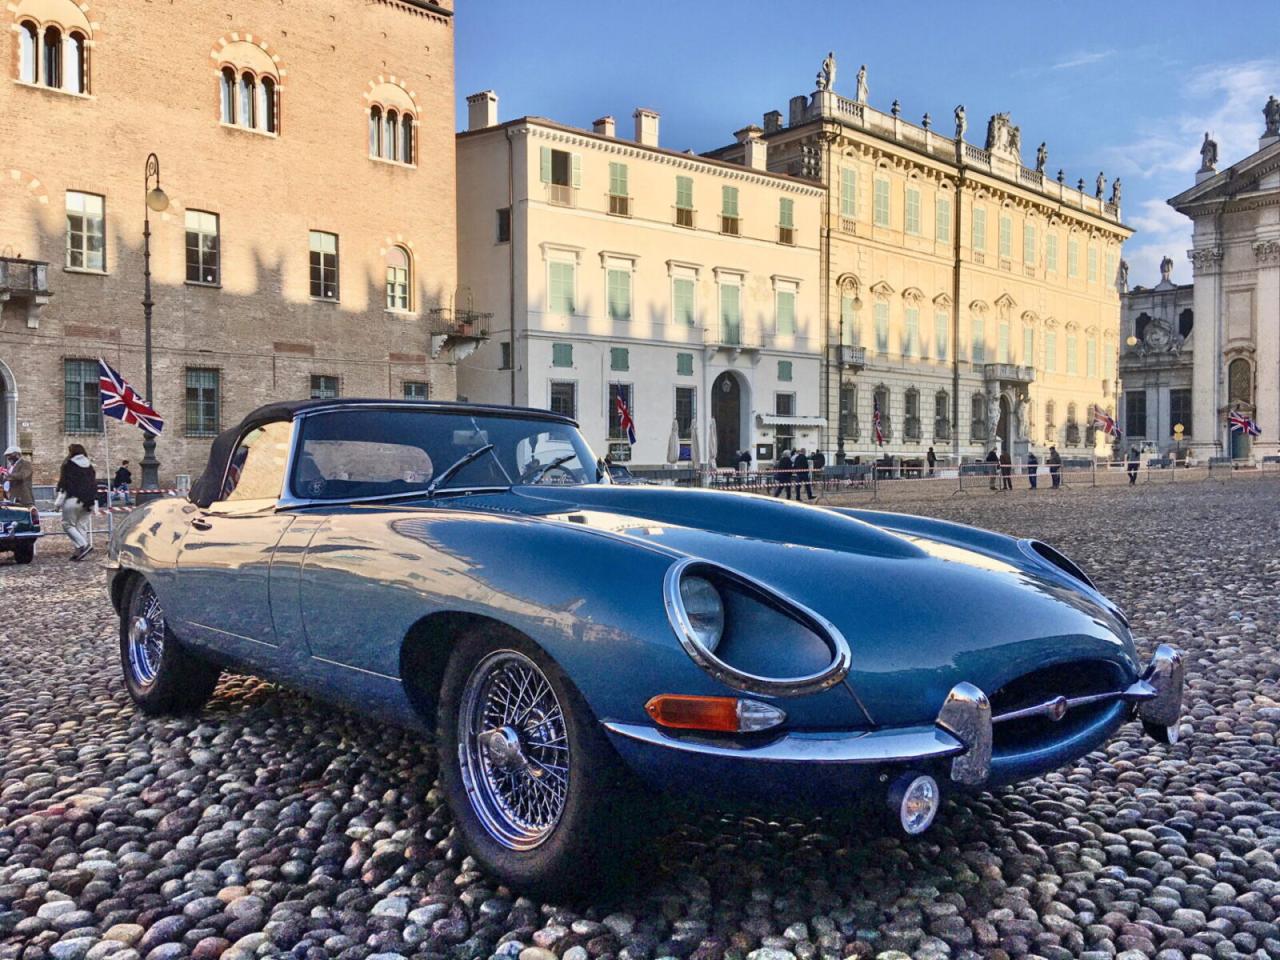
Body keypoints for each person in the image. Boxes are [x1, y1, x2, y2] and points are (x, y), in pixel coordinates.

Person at [55, 443, 97, 560]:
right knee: (81, 526)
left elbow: (64, 485)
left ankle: (83, 545)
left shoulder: (68, 465)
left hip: (73, 499)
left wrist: (58, 503)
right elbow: (93, 485)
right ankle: (79, 553)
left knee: (67, 524)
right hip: (88, 501)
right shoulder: (90, 466)